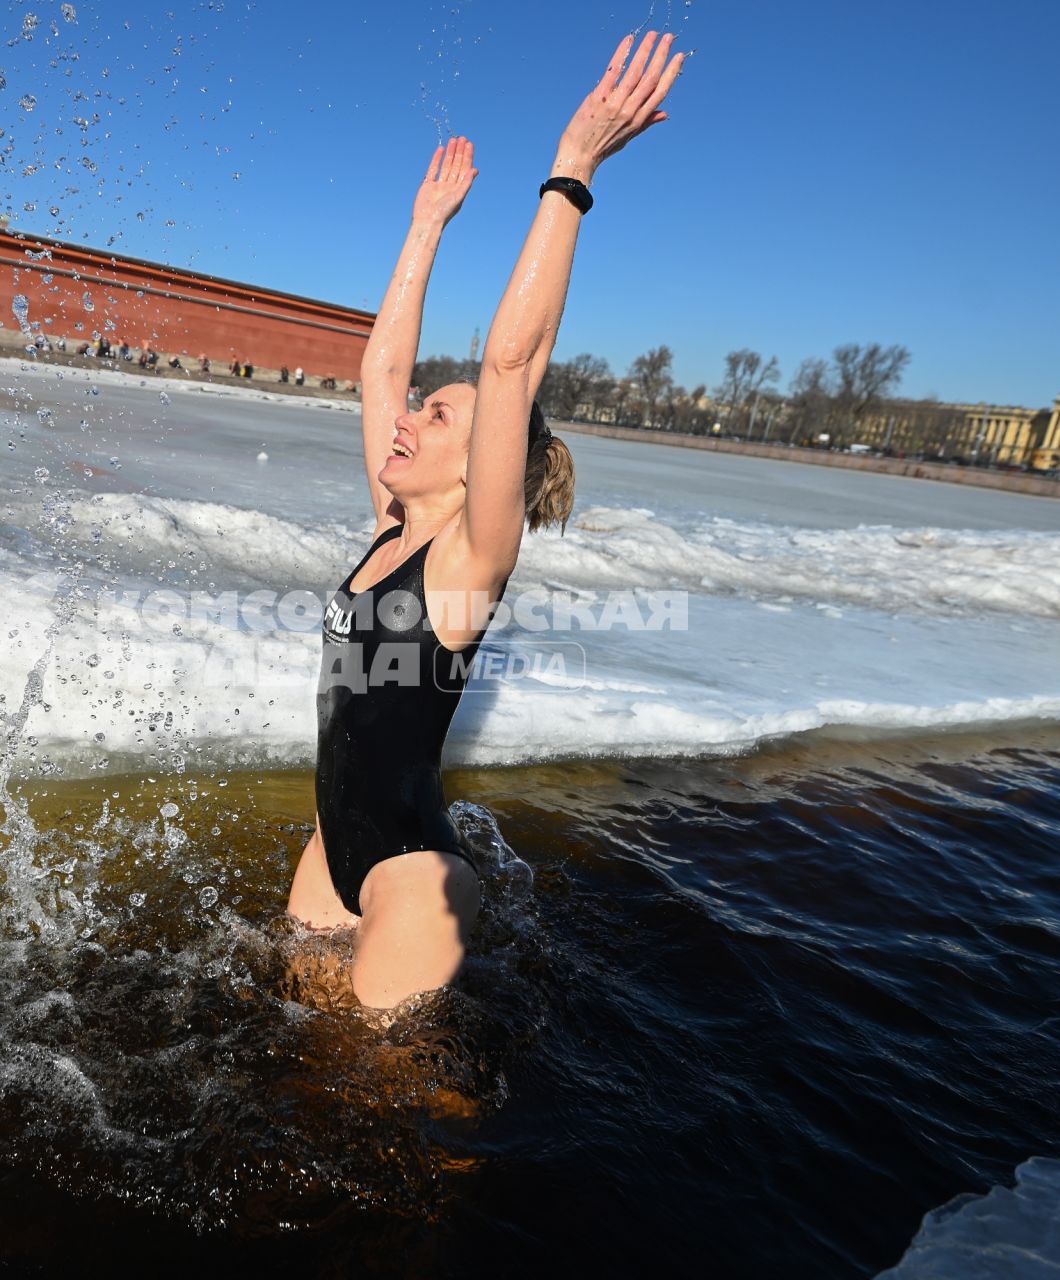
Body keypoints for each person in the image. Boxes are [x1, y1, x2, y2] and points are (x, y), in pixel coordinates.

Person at [286, 30, 684, 1010]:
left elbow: (511, 363)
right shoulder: (394, 520)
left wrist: (573, 171)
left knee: (389, 1124)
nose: (413, 415)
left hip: (410, 878)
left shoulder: (470, 556)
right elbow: (380, 369)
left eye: (440, 415)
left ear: (482, 470)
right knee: (292, 1060)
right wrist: (426, 227)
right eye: (423, 407)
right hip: (332, 849)